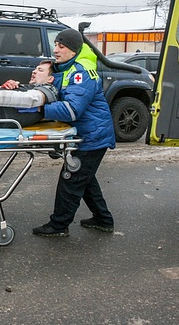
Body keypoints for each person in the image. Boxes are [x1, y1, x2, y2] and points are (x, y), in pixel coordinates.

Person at [32, 28, 116, 237]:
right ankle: (103, 219)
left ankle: (59, 226)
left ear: (74, 49)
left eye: (62, 46)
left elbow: (71, 109)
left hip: (92, 136)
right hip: (88, 134)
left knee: (71, 179)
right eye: (56, 45)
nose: (56, 50)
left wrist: (39, 109)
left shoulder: (81, 73)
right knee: (85, 179)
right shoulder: (68, 69)